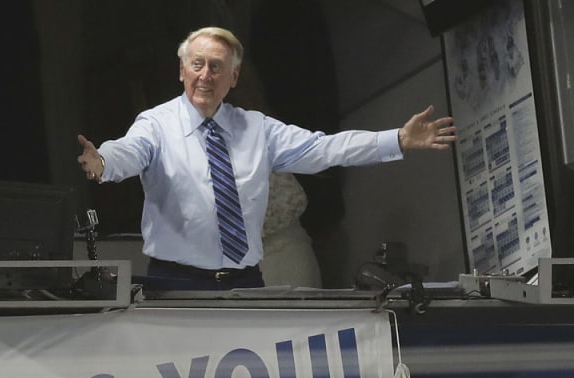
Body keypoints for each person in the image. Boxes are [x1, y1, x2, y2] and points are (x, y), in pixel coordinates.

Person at [76, 26, 456, 290]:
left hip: (246, 280)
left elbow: (324, 149)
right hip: (176, 282)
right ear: (181, 70)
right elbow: (131, 149)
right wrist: (105, 162)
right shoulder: (156, 124)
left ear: (234, 77)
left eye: (217, 67)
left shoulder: (257, 128)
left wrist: (398, 140)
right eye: (197, 64)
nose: (205, 75)